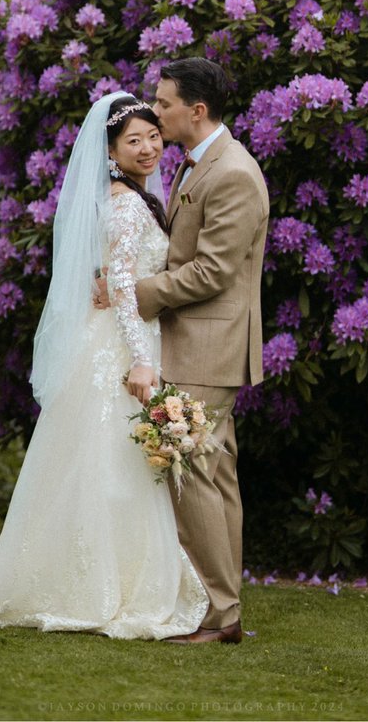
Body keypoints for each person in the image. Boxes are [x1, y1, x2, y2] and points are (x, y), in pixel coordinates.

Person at [0, 92, 207, 639]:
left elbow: (112, 276)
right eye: (134, 140)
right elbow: (125, 285)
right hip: (124, 345)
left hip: (116, 336)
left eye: (154, 135)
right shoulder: (128, 204)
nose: (150, 147)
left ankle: (84, 577)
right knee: (115, 467)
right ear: (110, 152)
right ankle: (108, 587)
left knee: (100, 464)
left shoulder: (127, 198)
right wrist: (140, 361)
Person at [97, 57, 270, 645]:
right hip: (197, 342)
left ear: (196, 110)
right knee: (213, 475)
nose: (157, 111)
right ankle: (222, 610)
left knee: (194, 473)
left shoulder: (234, 173)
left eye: (164, 103)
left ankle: (219, 614)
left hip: (210, 346)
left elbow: (212, 271)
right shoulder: (198, 164)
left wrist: (133, 293)